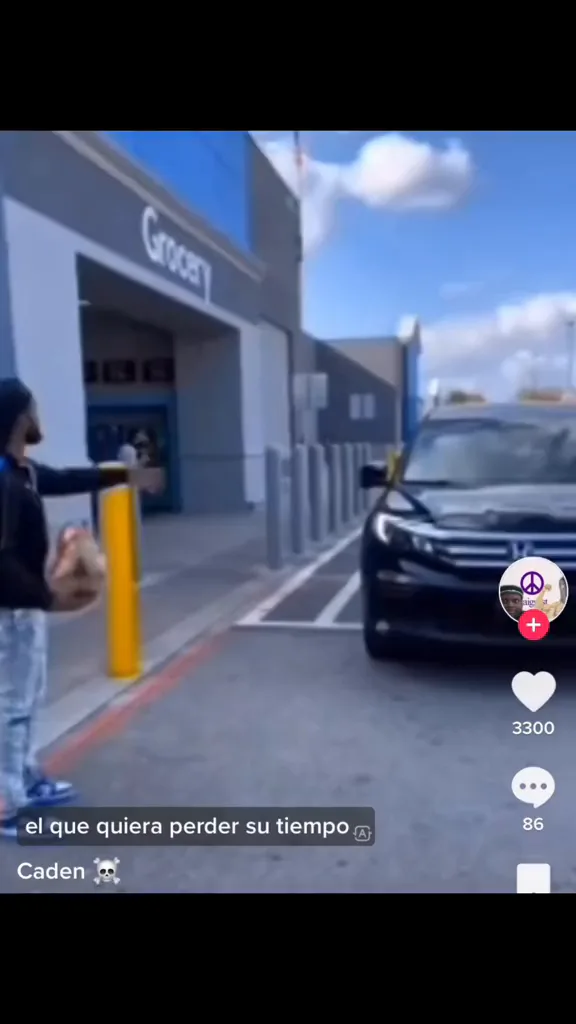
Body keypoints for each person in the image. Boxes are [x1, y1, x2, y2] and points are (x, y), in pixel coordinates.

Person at [0, 379, 163, 839]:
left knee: (28, 699)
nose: (38, 418)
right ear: (19, 419)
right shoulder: (3, 478)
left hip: (25, 609)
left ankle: (25, 778)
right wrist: (46, 596)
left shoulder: (23, 471)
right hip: (10, 611)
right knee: (12, 706)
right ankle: (8, 807)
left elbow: (68, 478)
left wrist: (125, 477)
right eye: (33, 410)